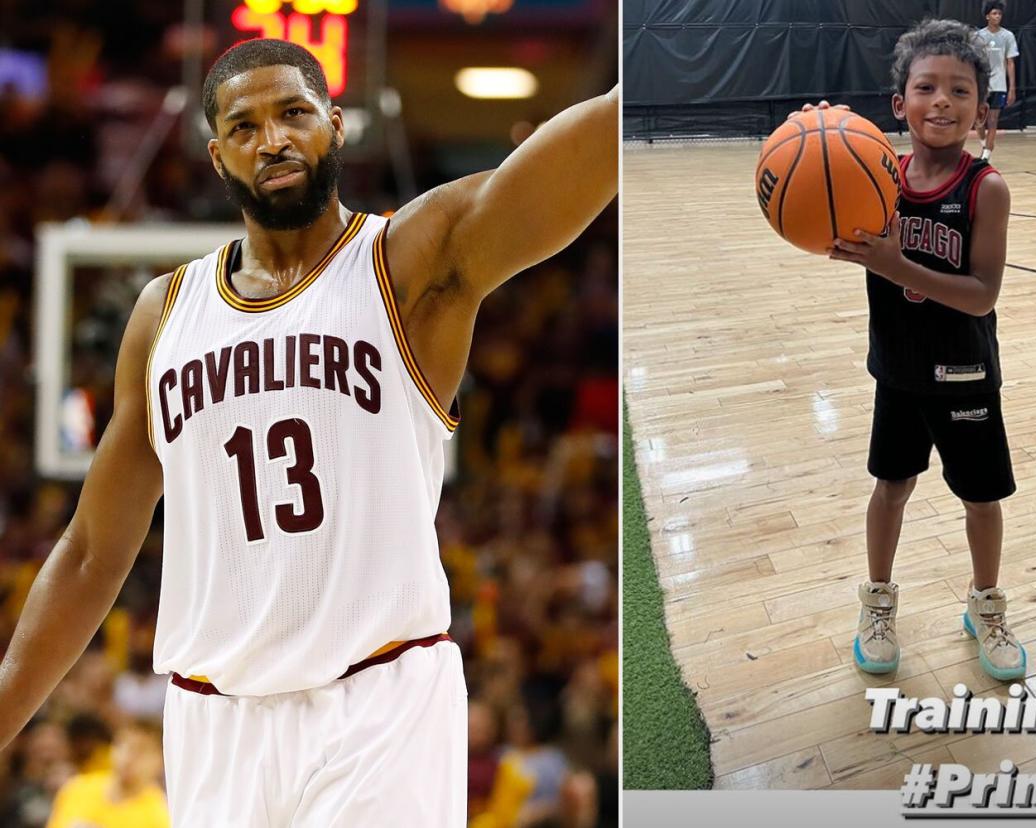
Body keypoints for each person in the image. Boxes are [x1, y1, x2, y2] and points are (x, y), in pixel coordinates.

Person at [0, 38, 617, 827]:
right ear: (218, 155)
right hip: (213, 720)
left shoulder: (405, 264)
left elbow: (549, 175)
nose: (274, 138)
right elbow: (90, 553)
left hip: (379, 701)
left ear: (335, 124)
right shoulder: (165, 314)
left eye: (293, 113)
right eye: (246, 125)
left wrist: (661, 77)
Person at [818, 19, 1026, 682]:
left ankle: (985, 605)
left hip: (965, 372)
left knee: (980, 497)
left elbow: (981, 295)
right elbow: (819, 195)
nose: (942, 101)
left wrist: (894, 261)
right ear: (898, 103)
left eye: (959, 90)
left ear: (979, 108)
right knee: (891, 486)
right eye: (926, 87)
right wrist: (821, 137)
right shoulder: (876, 179)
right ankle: (877, 602)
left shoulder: (985, 189)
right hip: (899, 371)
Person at [47, 721, 169, 828]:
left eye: (141, 750)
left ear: (160, 761)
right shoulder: (76, 788)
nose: (128, 757)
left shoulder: (162, 814)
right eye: (122, 745)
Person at [975, 0, 1019, 162]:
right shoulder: (979, 36)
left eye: (999, 14)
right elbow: (975, 62)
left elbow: (1010, 62)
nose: (997, 16)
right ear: (987, 16)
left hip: (999, 85)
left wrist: (1012, 88)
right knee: (978, 120)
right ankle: (984, 143)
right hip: (982, 84)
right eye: (994, 13)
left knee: (993, 119)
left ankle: (986, 154)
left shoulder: (1007, 36)